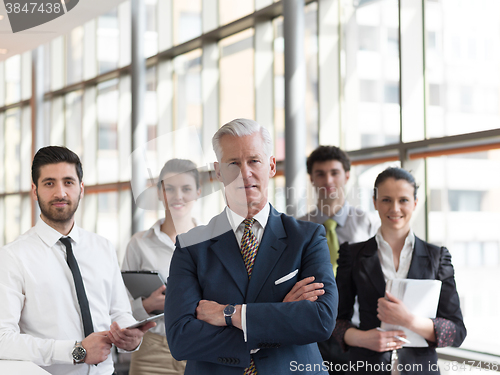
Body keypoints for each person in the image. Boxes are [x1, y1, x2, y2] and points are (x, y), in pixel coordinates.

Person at [164, 118, 338, 375]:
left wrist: (229, 314)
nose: (244, 173)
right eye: (233, 163)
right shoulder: (191, 246)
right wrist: (281, 316)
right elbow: (181, 339)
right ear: (218, 172)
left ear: (271, 166)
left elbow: (320, 321)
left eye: (254, 161)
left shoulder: (307, 238)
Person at [0, 146, 154, 375]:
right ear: (35, 190)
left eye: (68, 182)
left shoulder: (103, 247)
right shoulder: (13, 256)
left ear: (81, 189)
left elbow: (118, 312)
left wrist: (130, 337)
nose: (60, 193)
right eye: (49, 183)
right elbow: (4, 340)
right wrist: (76, 351)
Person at [333, 167, 466, 374]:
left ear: (414, 202)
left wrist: (409, 320)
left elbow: (456, 332)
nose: (395, 208)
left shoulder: (438, 257)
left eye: (403, 200)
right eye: (386, 200)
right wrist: (363, 338)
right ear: (375, 202)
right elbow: (335, 322)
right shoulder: (353, 255)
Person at [299, 145, 378, 374]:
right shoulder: (298, 228)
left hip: (358, 330)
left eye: (334, 172)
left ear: (347, 176)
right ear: (311, 179)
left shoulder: (370, 226)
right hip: (313, 332)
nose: (328, 179)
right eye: (320, 173)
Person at [122, 158, 202, 375]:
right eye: (170, 188)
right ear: (159, 192)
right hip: (150, 351)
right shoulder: (138, 244)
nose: (178, 196)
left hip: (199, 347)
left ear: (198, 192)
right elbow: (118, 308)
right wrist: (146, 305)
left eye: (186, 188)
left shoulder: (211, 243)